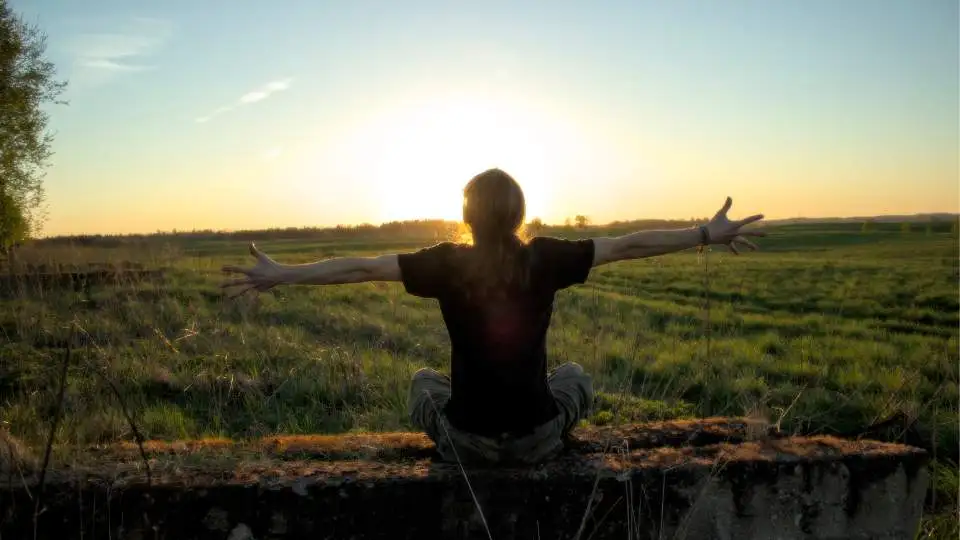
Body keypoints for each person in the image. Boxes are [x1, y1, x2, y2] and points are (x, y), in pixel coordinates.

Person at [221, 168, 765, 465]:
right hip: (538, 439)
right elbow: (627, 245)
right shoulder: (546, 256)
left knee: (422, 384)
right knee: (575, 377)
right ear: (520, 214)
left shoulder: (444, 265)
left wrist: (283, 274)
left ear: (466, 216)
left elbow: (358, 267)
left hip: (466, 443)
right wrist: (703, 234)